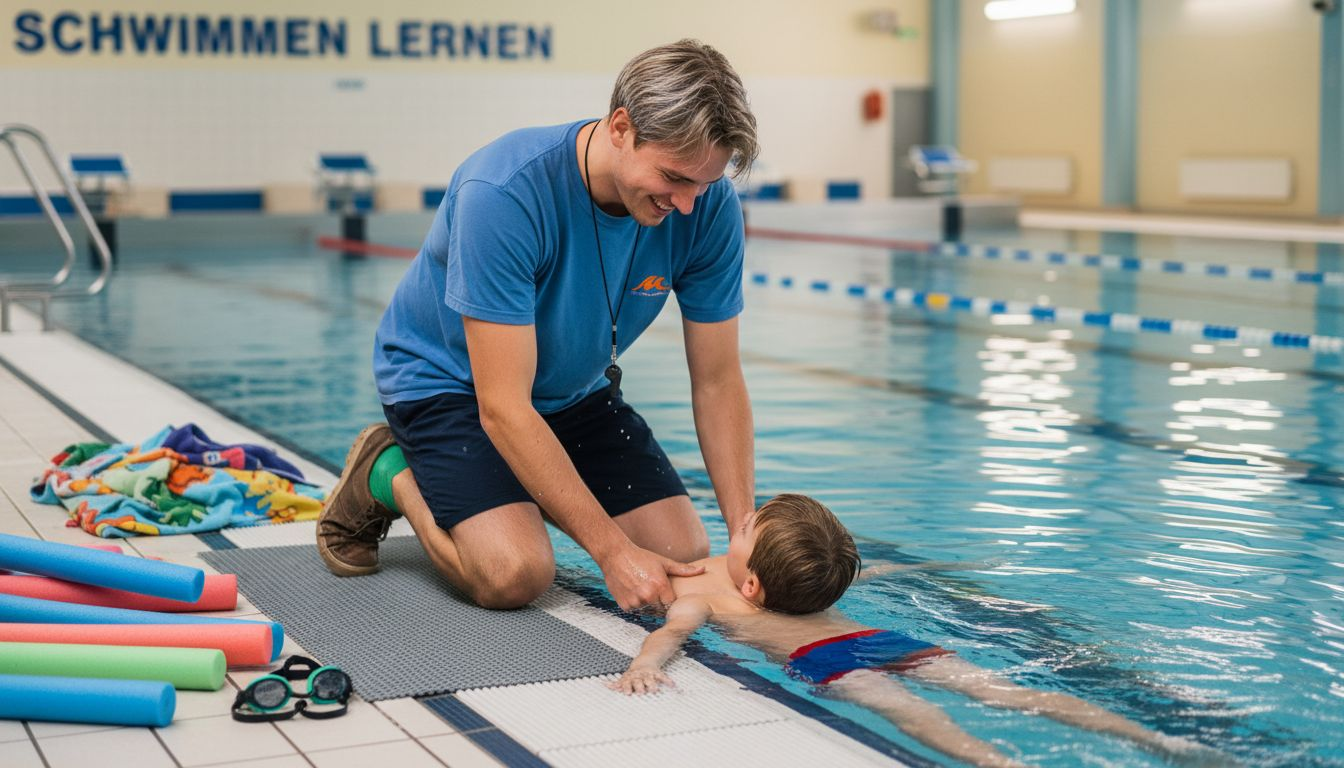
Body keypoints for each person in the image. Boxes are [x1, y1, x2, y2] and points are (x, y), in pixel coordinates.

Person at [317, 39, 759, 612]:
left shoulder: (707, 204)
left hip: (570, 392)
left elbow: (719, 379)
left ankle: (511, 493)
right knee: (516, 574)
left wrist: (744, 535)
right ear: (621, 128)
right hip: (452, 386)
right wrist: (610, 552)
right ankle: (387, 470)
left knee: (683, 549)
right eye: (674, 178)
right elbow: (502, 406)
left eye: (704, 184)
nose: (688, 205)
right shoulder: (504, 194)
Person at [611, 494, 1221, 768]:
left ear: (752, 589)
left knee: (921, 720)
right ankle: (1155, 741)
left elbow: (673, 631)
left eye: (747, 530)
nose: (739, 519)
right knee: (1003, 690)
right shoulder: (820, 587)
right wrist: (938, 570)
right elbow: (874, 572)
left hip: (830, 663)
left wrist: (645, 664)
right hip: (879, 639)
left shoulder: (706, 595)